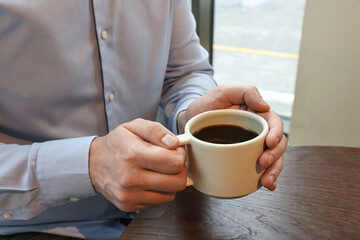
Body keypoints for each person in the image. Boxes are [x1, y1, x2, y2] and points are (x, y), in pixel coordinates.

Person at [0, 1, 287, 239]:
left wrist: (192, 115)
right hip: (35, 225)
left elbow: (184, 72)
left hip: (158, 208)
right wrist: (88, 166)